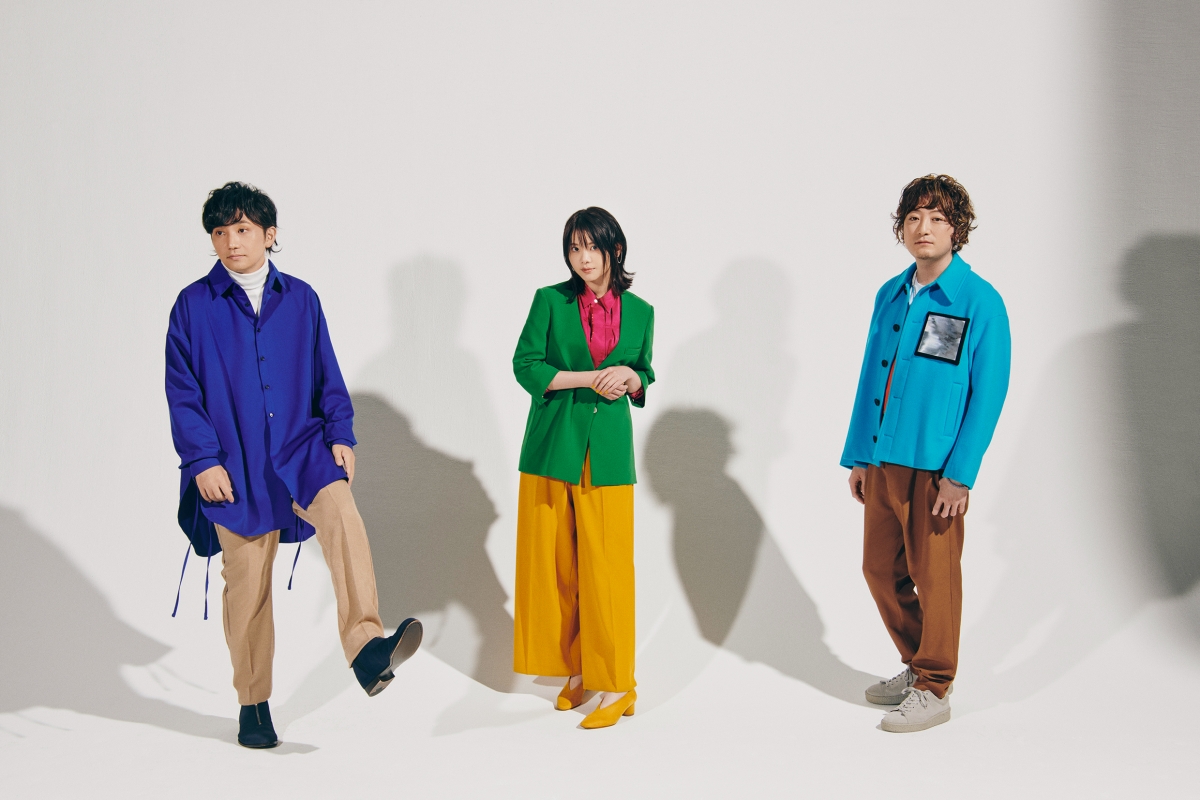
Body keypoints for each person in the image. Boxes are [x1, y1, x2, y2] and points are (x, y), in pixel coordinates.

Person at [165, 182, 422, 749]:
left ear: (269, 234)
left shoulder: (301, 298)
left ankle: (366, 647)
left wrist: (341, 434)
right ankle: (253, 704)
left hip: (302, 448)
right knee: (247, 586)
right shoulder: (192, 305)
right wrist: (202, 460)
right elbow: (182, 393)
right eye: (220, 232)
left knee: (344, 517)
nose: (231, 242)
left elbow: (327, 372)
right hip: (233, 463)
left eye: (242, 230)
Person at [841, 175, 1010, 733]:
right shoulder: (891, 294)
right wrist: (860, 455)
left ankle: (935, 684)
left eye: (938, 218)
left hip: (936, 466)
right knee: (878, 568)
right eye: (914, 217)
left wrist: (960, 474)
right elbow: (873, 376)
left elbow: (988, 394)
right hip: (882, 457)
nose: (924, 228)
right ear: (901, 228)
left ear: (958, 228)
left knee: (935, 576)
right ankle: (919, 665)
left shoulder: (978, 301)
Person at [511, 207, 655, 729]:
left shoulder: (640, 311)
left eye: (592, 247)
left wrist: (631, 378)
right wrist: (590, 378)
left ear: (615, 249)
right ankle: (577, 671)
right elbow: (526, 364)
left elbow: (643, 372)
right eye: (574, 248)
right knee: (558, 568)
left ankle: (618, 684)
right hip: (553, 448)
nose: (583, 258)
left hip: (609, 455)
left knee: (608, 570)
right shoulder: (550, 301)